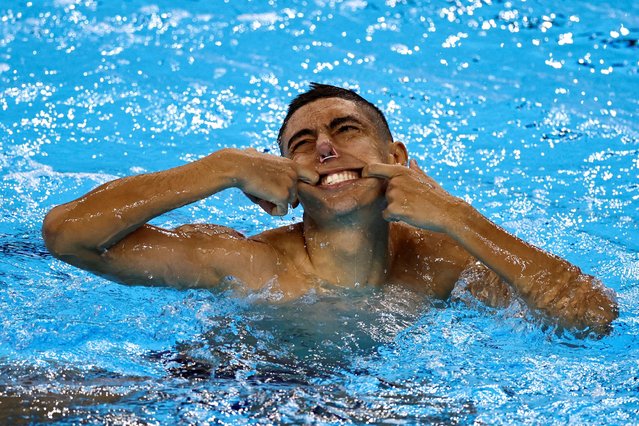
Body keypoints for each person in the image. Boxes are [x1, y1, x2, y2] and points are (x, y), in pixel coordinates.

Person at [42, 83, 618, 335]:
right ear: (284, 177)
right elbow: (68, 236)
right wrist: (219, 168)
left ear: (396, 156)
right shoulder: (249, 263)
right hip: (231, 394)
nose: (324, 148)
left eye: (346, 130)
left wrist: (457, 216)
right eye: (301, 144)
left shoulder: (444, 264)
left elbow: (594, 319)